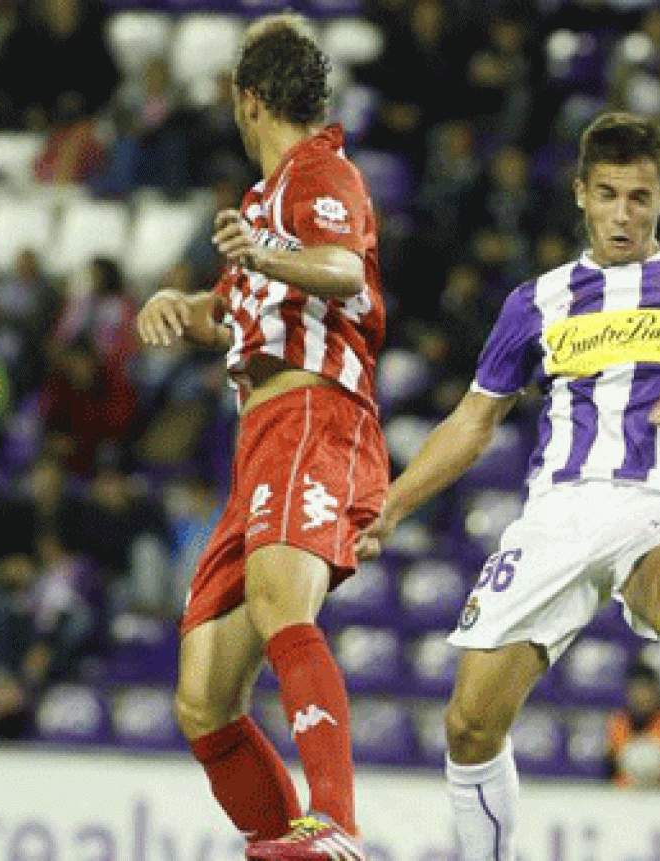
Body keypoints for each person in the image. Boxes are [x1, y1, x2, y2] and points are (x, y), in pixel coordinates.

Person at [354, 111, 660, 861]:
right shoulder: (539, 301)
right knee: (469, 723)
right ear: (581, 194)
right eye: (610, 194)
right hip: (560, 511)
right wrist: (391, 507)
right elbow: (472, 421)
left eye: (641, 196)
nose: (624, 213)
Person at [134, 15, 388, 861]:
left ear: (249, 102)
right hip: (261, 440)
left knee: (283, 597)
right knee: (203, 697)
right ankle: (287, 844)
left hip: (316, 415)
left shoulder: (322, 170)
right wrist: (187, 308)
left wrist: (270, 254)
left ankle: (337, 823)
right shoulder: (259, 206)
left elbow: (343, 268)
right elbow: (238, 309)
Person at [607, 663, 660, 786]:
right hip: (624, 793)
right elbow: (615, 766)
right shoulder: (619, 721)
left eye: (646, 690)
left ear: (655, 692)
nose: (641, 697)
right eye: (636, 690)